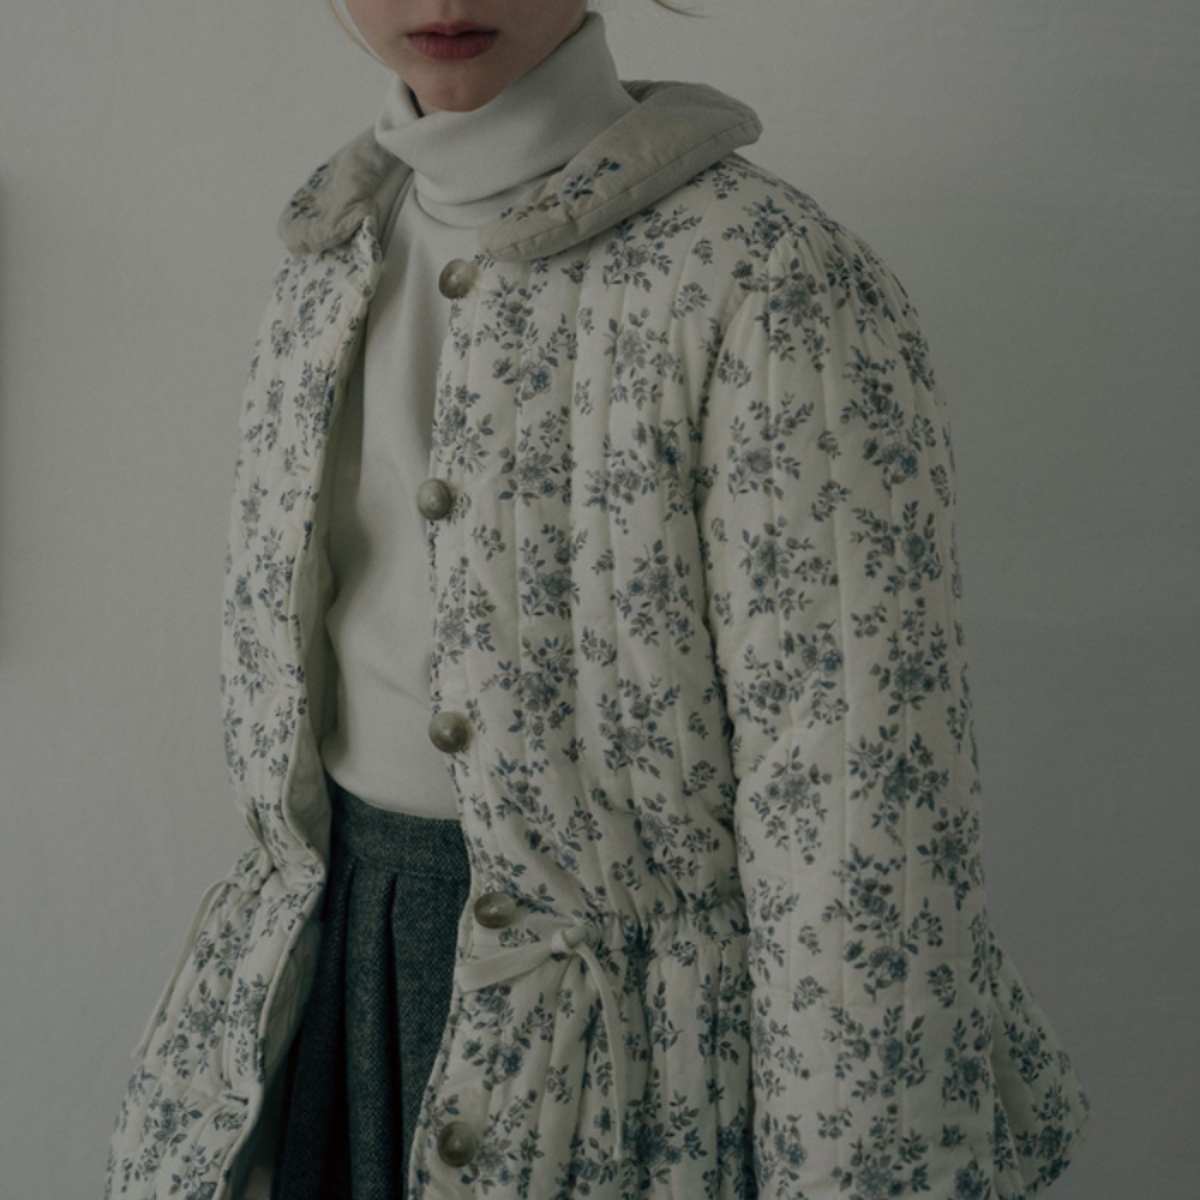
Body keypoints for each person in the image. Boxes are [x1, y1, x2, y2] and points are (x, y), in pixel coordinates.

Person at [105, 3, 1092, 1199]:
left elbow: (861, 833)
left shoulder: (768, 282)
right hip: (345, 968)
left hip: (633, 1085)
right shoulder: (325, 258)